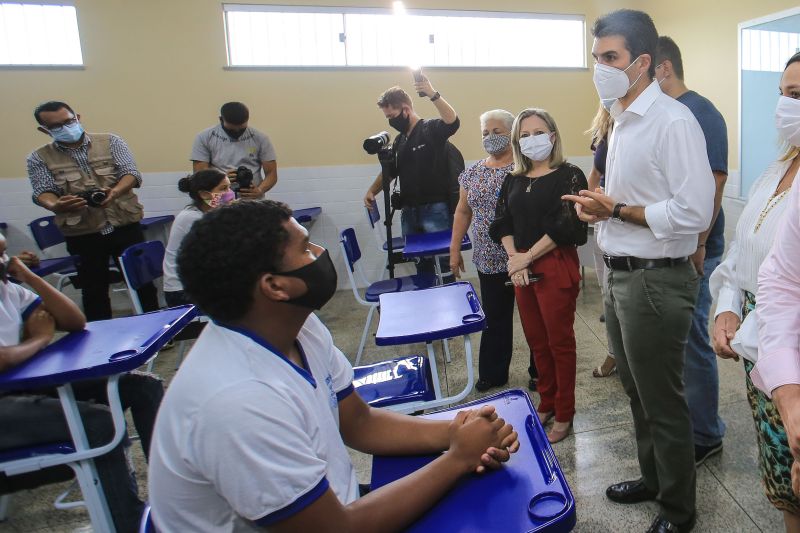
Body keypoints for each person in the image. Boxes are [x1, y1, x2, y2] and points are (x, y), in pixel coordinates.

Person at [148, 200, 519, 531]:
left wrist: (456, 432)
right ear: (275, 287)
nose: (320, 251)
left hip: (333, 504)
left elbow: (360, 422)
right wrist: (458, 458)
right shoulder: (237, 400)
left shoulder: (297, 324)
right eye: (305, 248)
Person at [564, 10, 714, 532]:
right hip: (621, 272)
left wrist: (619, 211)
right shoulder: (621, 119)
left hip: (656, 279)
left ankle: (678, 511)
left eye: (611, 58)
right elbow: (627, 198)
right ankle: (654, 479)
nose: (600, 68)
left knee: (662, 399)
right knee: (635, 390)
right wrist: (598, 209)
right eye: (596, 58)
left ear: (643, 62)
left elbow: (695, 212)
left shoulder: (673, 121)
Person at [0, 234, 151, 533]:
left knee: (141, 386)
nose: (4, 262)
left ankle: (168, 486)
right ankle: (127, 523)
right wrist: (40, 339)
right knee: (96, 423)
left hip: (19, 386)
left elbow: (74, 320)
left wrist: (30, 277)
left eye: (5, 253)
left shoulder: (9, 290)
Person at [489, 108, 587, 444]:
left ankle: (564, 410)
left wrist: (528, 256)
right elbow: (502, 221)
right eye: (525, 135)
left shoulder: (570, 174)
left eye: (538, 132)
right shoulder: (513, 178)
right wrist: (515, 258)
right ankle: (546, 400)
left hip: (553, 263)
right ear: (517, 141)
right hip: (522, 266)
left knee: (559, 342)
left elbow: (567, 224)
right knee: (537, 341)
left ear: (553, 135)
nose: (532, 139)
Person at [655, 35, 730, 467]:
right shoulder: (665, 114)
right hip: (673, 250)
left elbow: (715, 181)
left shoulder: (700, 112)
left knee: (694, 344)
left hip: (698, 250)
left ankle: (706, 433)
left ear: (663, 68)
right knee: (678, 344)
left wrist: (700, 244)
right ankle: (690, 423)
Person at [26, 101, 158, 322]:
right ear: (44, 130)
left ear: (77, 116)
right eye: (56, 126)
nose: (66, 127)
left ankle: (158, 328)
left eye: (69, 121)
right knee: (93, 288)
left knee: (142, 280)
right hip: (82, 231)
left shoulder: (110, 141)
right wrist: (55, 205)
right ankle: (101, 337)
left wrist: (114, 192)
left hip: (123, 223)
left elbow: (131, 174)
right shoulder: (39, 157)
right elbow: (42, 191)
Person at [741, 52, 800, 533]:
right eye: (785, 93)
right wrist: (787, 389)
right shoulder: (778, 171)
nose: (787, 106)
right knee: (790, 492)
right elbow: (773, 273)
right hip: (773, 346)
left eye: (798, 96)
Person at [449, 109, 536, 392]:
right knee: (495, 319)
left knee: (533, 318)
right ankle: (493, 372)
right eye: (485, 133)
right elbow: (462, 212)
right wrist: (454, 249)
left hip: (524, 257)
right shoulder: (472, 173)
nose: (490, 138)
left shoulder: (528, 168)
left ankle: (539, 371)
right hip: (489, 259)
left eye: (497, 132)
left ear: (511, 134)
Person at [363, 76, 460, 277]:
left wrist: (433, 94)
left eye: (392, 115)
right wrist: (372, 191)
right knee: (420, 264)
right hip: (409, 211)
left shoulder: (429, 129)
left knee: (444, 264)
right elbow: (390, 172)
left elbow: (452, 122)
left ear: (406, 109)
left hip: (435, 210)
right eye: (387, 117)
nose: (390, 121)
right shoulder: (400, 140)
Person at [163, 168, 234, 307]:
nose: (229, 193)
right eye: (223, 188)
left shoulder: (211, 214)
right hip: (182, 292)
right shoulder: (191, 218)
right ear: (204, 194)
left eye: (230, 187)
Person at [585, 103, 617, 379]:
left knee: (625, 293)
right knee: (607, 291)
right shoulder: (604, 126)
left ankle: (628, 354)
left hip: (629, 215)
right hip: (602, 215)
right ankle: (614, 351)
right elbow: (596, 173)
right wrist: (587, 202)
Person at [190, 101, 278, 199]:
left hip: (252, 199)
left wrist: (260, 190)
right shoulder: (204, 137)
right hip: (219, 199)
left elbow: (271, 174)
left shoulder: (261, 138)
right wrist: (221, 179)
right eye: (231, 130)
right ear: (221, 120)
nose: (237, 132)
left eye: (242, 129)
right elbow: (199, 174)